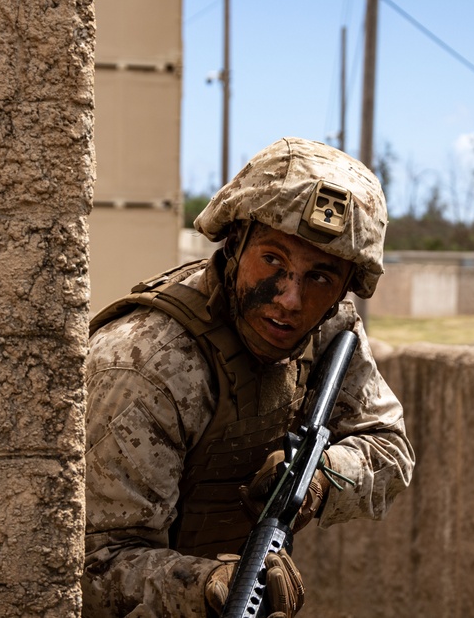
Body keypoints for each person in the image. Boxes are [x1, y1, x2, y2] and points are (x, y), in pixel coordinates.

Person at [82, 137, 415, 617]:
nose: (290, 300)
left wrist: (319, 479)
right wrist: (209, 586)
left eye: (321, 277)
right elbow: (91, 566)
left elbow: (390, 449)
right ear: (235, 243)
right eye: (273, 260)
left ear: (346, 285)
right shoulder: (148, 366)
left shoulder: (330, 330)